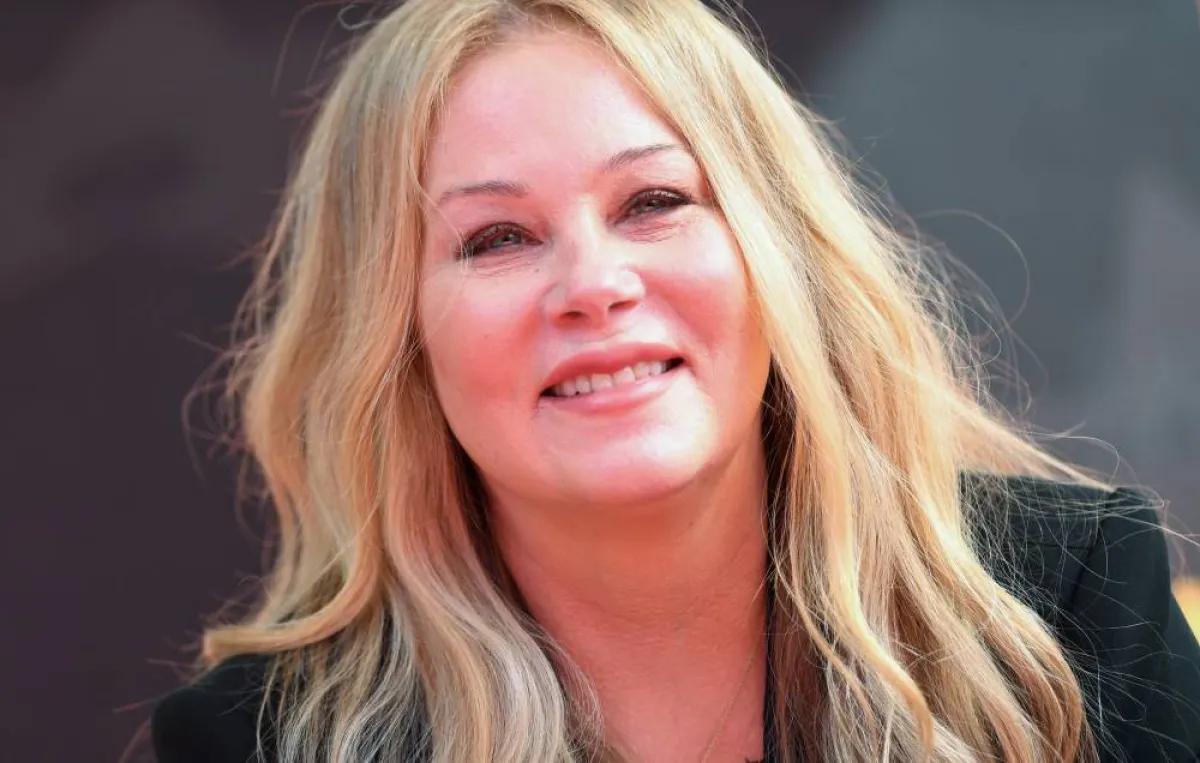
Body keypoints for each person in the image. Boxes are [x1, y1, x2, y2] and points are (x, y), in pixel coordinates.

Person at [149, 0, 1200, 761]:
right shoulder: (254, 742)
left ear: (777, 252)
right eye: (498, 236)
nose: (594, 284)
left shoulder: (1071, 603)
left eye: (653, 201)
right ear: (397, 336)